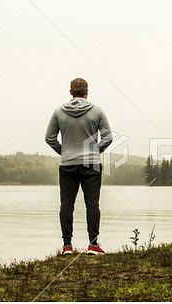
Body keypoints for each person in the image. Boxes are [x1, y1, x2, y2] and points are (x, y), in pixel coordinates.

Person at [45, 78, 112, 255]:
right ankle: (93, 244)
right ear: (86, 92)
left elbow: (49, 138)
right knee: (92, 204)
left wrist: (64, 151)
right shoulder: (97, 111)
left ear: (70, 92)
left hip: (68, 164)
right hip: (91, 164)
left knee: (66, 204)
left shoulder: (58, 112)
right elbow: (108, 137)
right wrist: (96, 151)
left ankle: (67, 246)